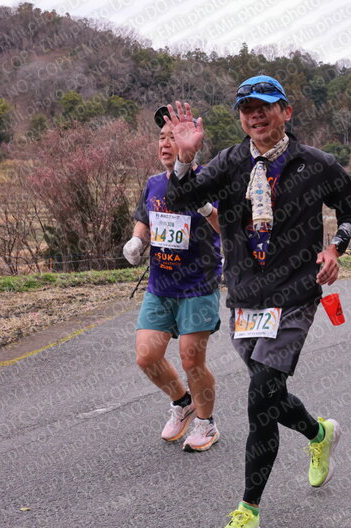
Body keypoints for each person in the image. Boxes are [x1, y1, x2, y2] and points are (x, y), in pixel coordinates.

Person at [163, 75, 351, 528]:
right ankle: (318, 433)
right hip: (245, 297)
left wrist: (336, 246)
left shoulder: (316, 164)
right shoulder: (230, 162)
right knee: (269, 394)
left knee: (260, 399)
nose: (255, 116)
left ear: (285, 112)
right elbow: (182, 199)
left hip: (295, 294)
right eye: (246, 109)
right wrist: (185, 159)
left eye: (264, 107)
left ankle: (248, 509)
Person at [123, 106, 223, 452]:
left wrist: (204, 206)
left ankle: (206, 424)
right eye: (161, 138)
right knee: (146, 357)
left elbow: (227, 227)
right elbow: (145, 217)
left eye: (173, 137)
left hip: (198, 285)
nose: (165, 144)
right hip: (160, 285)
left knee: (191, 360)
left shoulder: (210, 179)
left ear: (190, 141)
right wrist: (137, 241)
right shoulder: (153, 183)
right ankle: (183, 403)